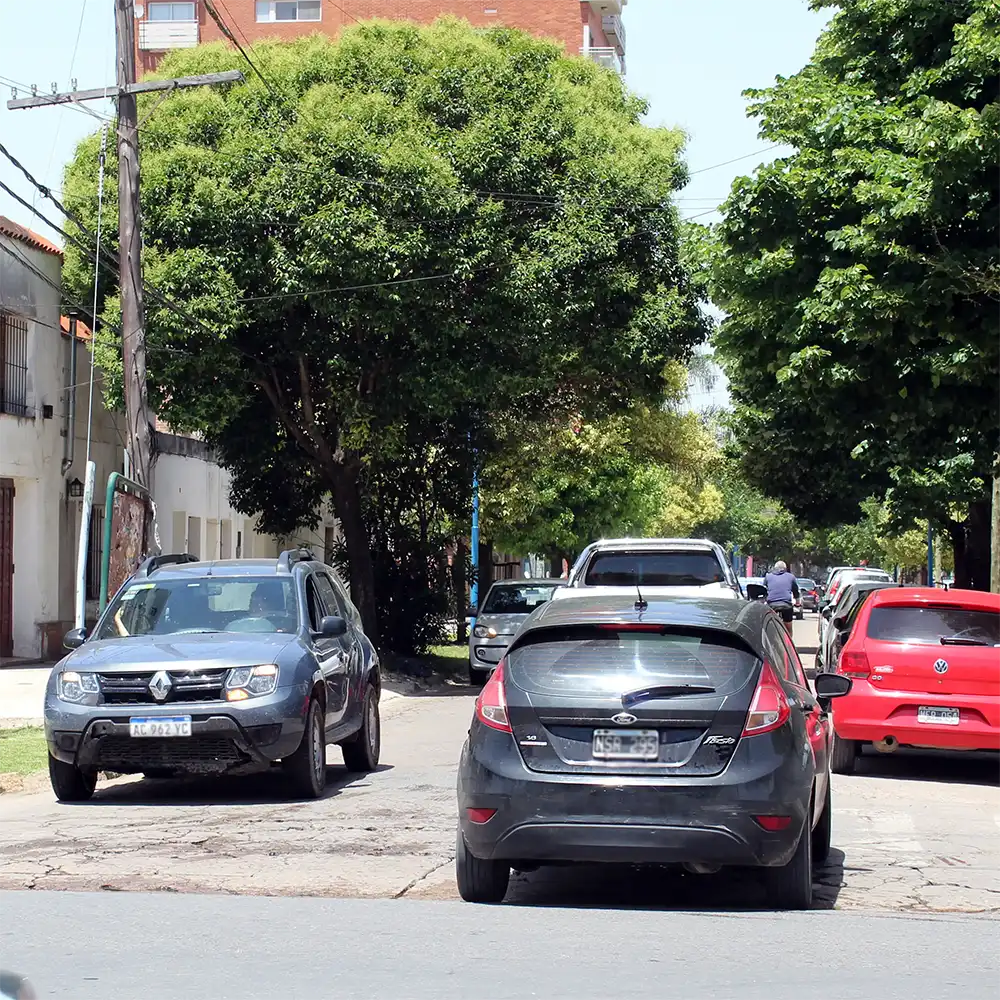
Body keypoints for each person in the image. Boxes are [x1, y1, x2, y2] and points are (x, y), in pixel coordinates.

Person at [764, 560, 800, 635]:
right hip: (786, 605)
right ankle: (788, 644)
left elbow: (765, 590)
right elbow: (795, 591)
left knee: (768, 624)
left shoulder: (768, 577)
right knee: (788, 626)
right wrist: (797, 602)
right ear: (785, 569)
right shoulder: (791, 577)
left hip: (771, 605)